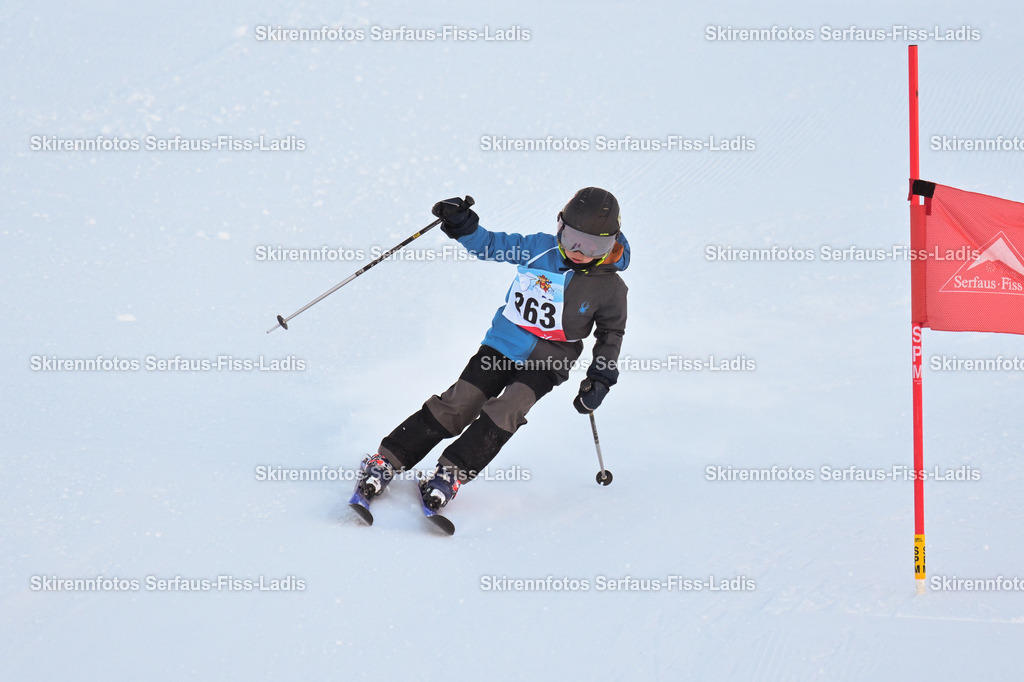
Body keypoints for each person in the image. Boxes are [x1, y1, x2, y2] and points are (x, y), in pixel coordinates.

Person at [354, 187, 630, 511]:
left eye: (593, 244)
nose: (579, 251)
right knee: (460, 403)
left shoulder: (611, 288)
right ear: (560, 228)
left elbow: (611, 334)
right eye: (571, 238)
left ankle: (449, 474)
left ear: (612, 242)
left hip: (548, 363)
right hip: (502, 344)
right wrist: (463, 225)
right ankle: (388, 459)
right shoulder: (539, 248)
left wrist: (600, 377)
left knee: (507, 411)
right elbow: (490, 245)